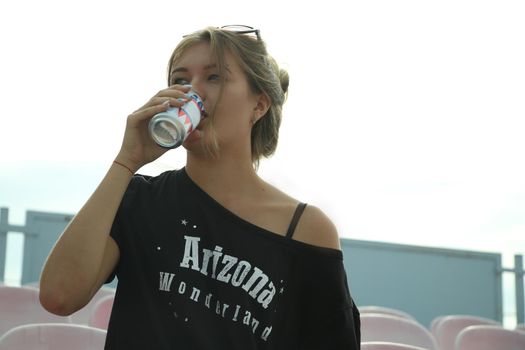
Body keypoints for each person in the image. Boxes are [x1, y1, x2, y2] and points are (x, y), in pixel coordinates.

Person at [39, 25, 361, 349]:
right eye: (180, 80)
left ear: (259, 105)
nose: (192, 92)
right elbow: (59, 296)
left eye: (214, 77)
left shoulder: (306, 228)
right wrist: (126, 160)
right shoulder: (140, 199)